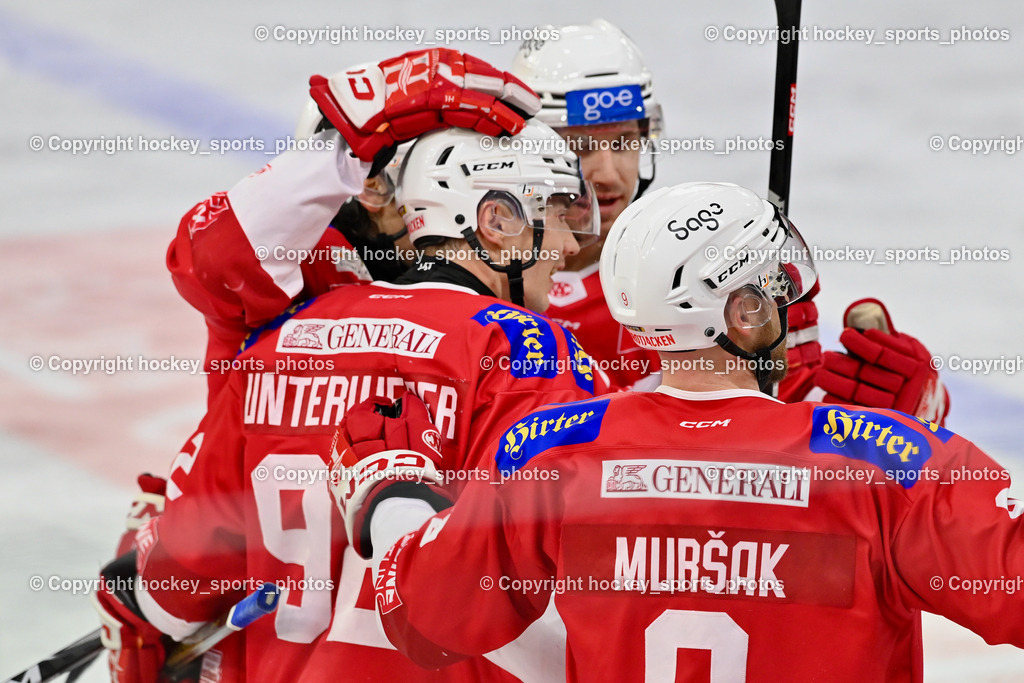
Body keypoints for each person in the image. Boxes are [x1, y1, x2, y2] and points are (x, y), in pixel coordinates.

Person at [334, 182, 1024, 682]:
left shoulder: (551, 451)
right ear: (746, 315)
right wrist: (900, 431)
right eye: (779, 288)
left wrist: (388, 494)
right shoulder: (889, 465)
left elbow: (424, 615)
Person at [92, 112, 602, 682]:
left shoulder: (286, 337)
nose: (565, 245)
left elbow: (173, 589)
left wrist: (133, 580)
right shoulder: (528, 350)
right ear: (495, 220)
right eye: (555, 215)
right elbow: (584, 585)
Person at [512, 20, 949, 425]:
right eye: (583, 146)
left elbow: (780, 441)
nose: (609, 172)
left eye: (626, 140)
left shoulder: (709, 270)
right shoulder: (480, 274)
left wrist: (897, 423)